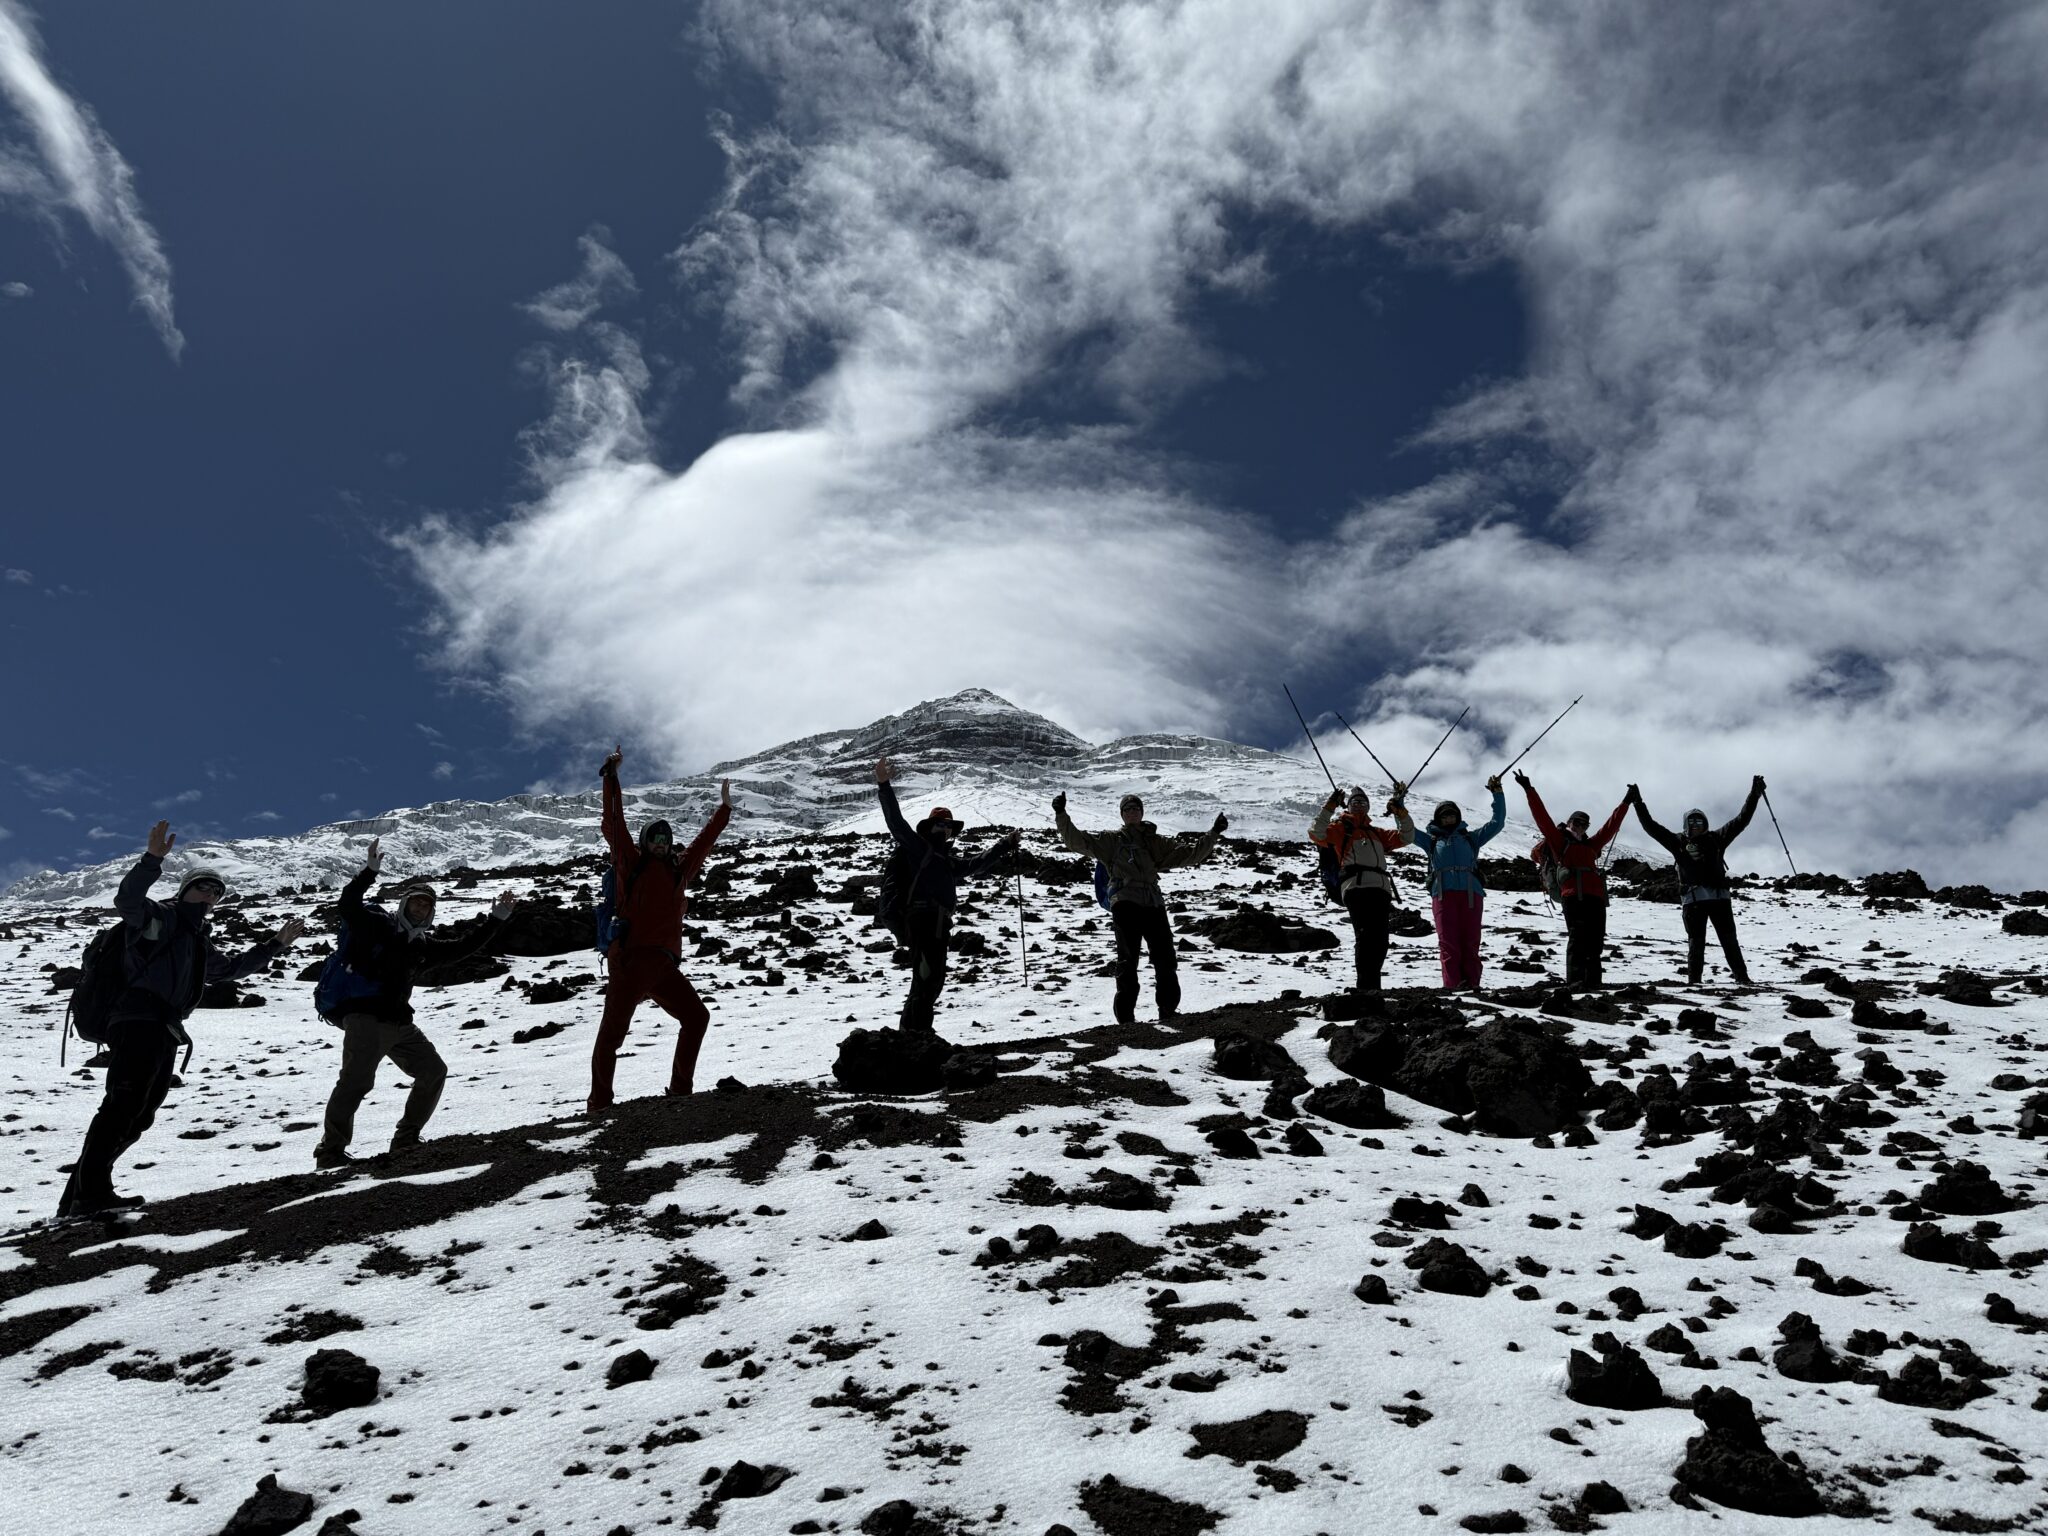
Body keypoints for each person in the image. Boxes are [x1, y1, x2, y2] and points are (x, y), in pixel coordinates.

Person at [59, 821, 306, 1217]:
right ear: (184, 890)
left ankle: (78, 1196)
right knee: (123, 1105)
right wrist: (152, 859)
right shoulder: (161, 919)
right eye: (202, 886)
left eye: (216, 891)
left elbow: (228, 970)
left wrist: (274, 945)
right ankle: (89, 1194)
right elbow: (128, 901)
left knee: (140, 1113)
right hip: (138, 1020)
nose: (209, 894)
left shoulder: (196, 938)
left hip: (165, 1028)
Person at [314, 837, 516, 1167]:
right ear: (404, 903)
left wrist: (497, 918)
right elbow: (348, 905)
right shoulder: (377, 926)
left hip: (399, 1023)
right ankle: (331, 1151)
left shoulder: (421, 944)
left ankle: (406, 1139)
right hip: (364, 1018)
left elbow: (462, 948)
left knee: (433, 1071)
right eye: (416, 902)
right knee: (355, 1083)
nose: (421, 908)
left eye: (427, 905)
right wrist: (369, 873)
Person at [589, 745, 731, 1112]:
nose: (662, 843)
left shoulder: (678, 872)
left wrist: (724, 811)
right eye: (655, 837)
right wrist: (611, 776)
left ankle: (681, 1090)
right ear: (644, 842)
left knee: (697, 1018)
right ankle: (599, 1104)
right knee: (611, 1037)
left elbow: (703, 844)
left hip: (664, 967)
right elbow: (614, 821)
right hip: (632, 963)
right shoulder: (629, 863)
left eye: (666, 839)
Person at [873, 758, 1020, 1034]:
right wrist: (884, 784)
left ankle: (914, 1034)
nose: (945, 829)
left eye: (948, 826)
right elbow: (896, 822)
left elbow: (977, 864)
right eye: (940, 825)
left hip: (940, 924)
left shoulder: (946, 861)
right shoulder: (918, 848)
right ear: (930, 827)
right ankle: (915, 1036)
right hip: (921, 920)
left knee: (934, 980)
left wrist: (1004, 845)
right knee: (926, 978)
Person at [1053, 790, 1226, 1025]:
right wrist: (1061, 814)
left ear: (1142, 813)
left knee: (1165, 958)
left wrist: (1213, 833)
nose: (1133, 812)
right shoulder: (1111, 841)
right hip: (1125, 903)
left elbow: (1190, 854)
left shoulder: (1155, 842)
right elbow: (1076, 841)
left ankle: (1167, 1012)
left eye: (1136, 809)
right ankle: (1126, 1020)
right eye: (1128, 809)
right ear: (1122, 815)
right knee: (1128, 959)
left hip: (1153, 903)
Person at [1629, 777, 1765, 987]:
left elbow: (1741, 820)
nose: (1695, 826)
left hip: (1719, 899)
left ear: (1705, 824)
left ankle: (1742, 978)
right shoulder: (1677, 842)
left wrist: (1754, 795)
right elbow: (1651, 828)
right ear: (1685, 825)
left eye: (1699, 822)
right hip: (1693, 900)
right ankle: (1695, 982)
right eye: (1691, 822)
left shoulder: (1717, 838)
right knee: (1696, 943)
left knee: (1729, 941)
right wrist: (1638, 803)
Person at [1392, 776, 1507, 990]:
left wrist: (1497, 794)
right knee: (1448, 942)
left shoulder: (1471, 838)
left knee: (1471, 941)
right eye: (1444, 815)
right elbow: (1406, 831)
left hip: (1471, 894)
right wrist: (1399, 804)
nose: (1448, 817)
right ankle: (1453, 986)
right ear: (1438, 819)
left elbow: (1497, 823)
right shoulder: (1431, 840)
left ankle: (1472, 985)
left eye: (1452, 813)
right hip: (1443, 894)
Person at [1517, 772, 1629, 988]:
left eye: (1584, 824)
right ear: (1568, 823)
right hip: (1573, 896)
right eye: (1576, 822)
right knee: (1577, 939)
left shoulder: (1592, 845)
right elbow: (1543, 818)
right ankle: (1575, 982)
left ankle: (1593, 983)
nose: (1580, 826)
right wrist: (1529, 789)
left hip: (1596, 898)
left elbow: (1611, 826)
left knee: (1595, 941)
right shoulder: (1559, 842)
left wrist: (1626, 801)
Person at [1310, 785, 1411, 1002]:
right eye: (1354, 802)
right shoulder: (1339, 829)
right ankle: (1366, 988)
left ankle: (1372, 986)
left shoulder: (1376, 833)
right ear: (1347, 805)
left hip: (1380, 890)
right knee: (1365, 937)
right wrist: (1329, 806)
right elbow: (1316, 833)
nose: (1359, 805)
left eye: (1363, 802)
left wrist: (1400, 812)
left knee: (1381, 939)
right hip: (1355, 888)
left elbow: (1406, 836)